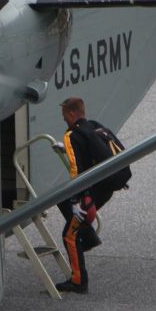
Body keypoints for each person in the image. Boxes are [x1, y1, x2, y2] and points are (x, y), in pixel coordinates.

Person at [55, 97, 113, 294]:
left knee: (69, 235)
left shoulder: (72, 135)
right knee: (60, 199)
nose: (64, 120)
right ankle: (88, 237)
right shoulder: (93, 126)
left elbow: (76, 170)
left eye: (65, 117)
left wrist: (75, 201)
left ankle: (79, 282)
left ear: (72, 114)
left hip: (93, 191)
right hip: (106, 187)